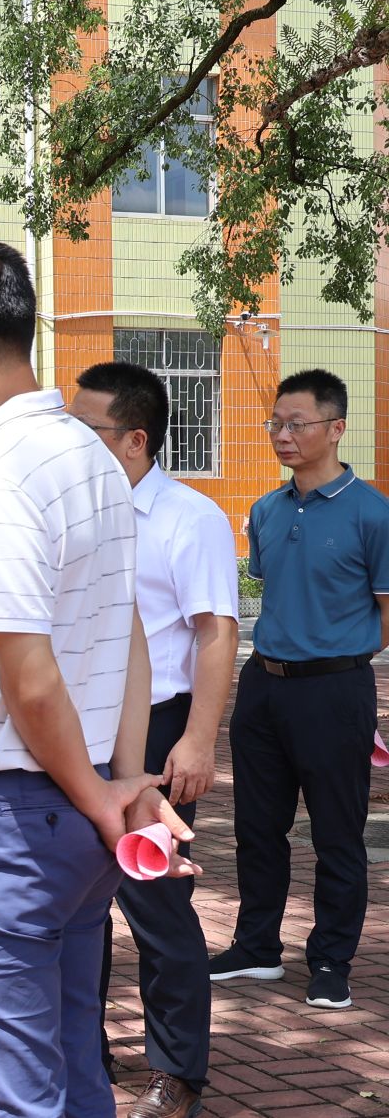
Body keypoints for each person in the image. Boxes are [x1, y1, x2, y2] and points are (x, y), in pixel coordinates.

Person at [0, 232, 191, 1118]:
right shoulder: (89, 455)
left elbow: (29, 677)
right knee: (73, 1069)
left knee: (15, 1093)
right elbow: (127, 630)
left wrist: (107, 797)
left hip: (5, 822)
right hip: (70, 807)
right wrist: (123, 779)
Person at [69, 361, 237, 1118]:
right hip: (80, 732)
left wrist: (199, 739)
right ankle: (83, 1051)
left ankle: (176, 1071)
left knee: (156, 902)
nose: (74, 441)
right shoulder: (78, 511)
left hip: (159, 729)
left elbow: (215, 632)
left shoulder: (187, 517)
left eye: (89, 428)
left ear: (135, 440)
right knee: (79, 899)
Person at [210, 368, 388, 1013]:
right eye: (276, 424)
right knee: (258, 827)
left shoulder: (373, 513)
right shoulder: (266, 509)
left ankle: (332, 959)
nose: (282, 435)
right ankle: (257, 945)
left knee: (337, 833)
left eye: (297, 424)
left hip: (334, 690)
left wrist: (340, 658)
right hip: (263, 687)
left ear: (336, 428)